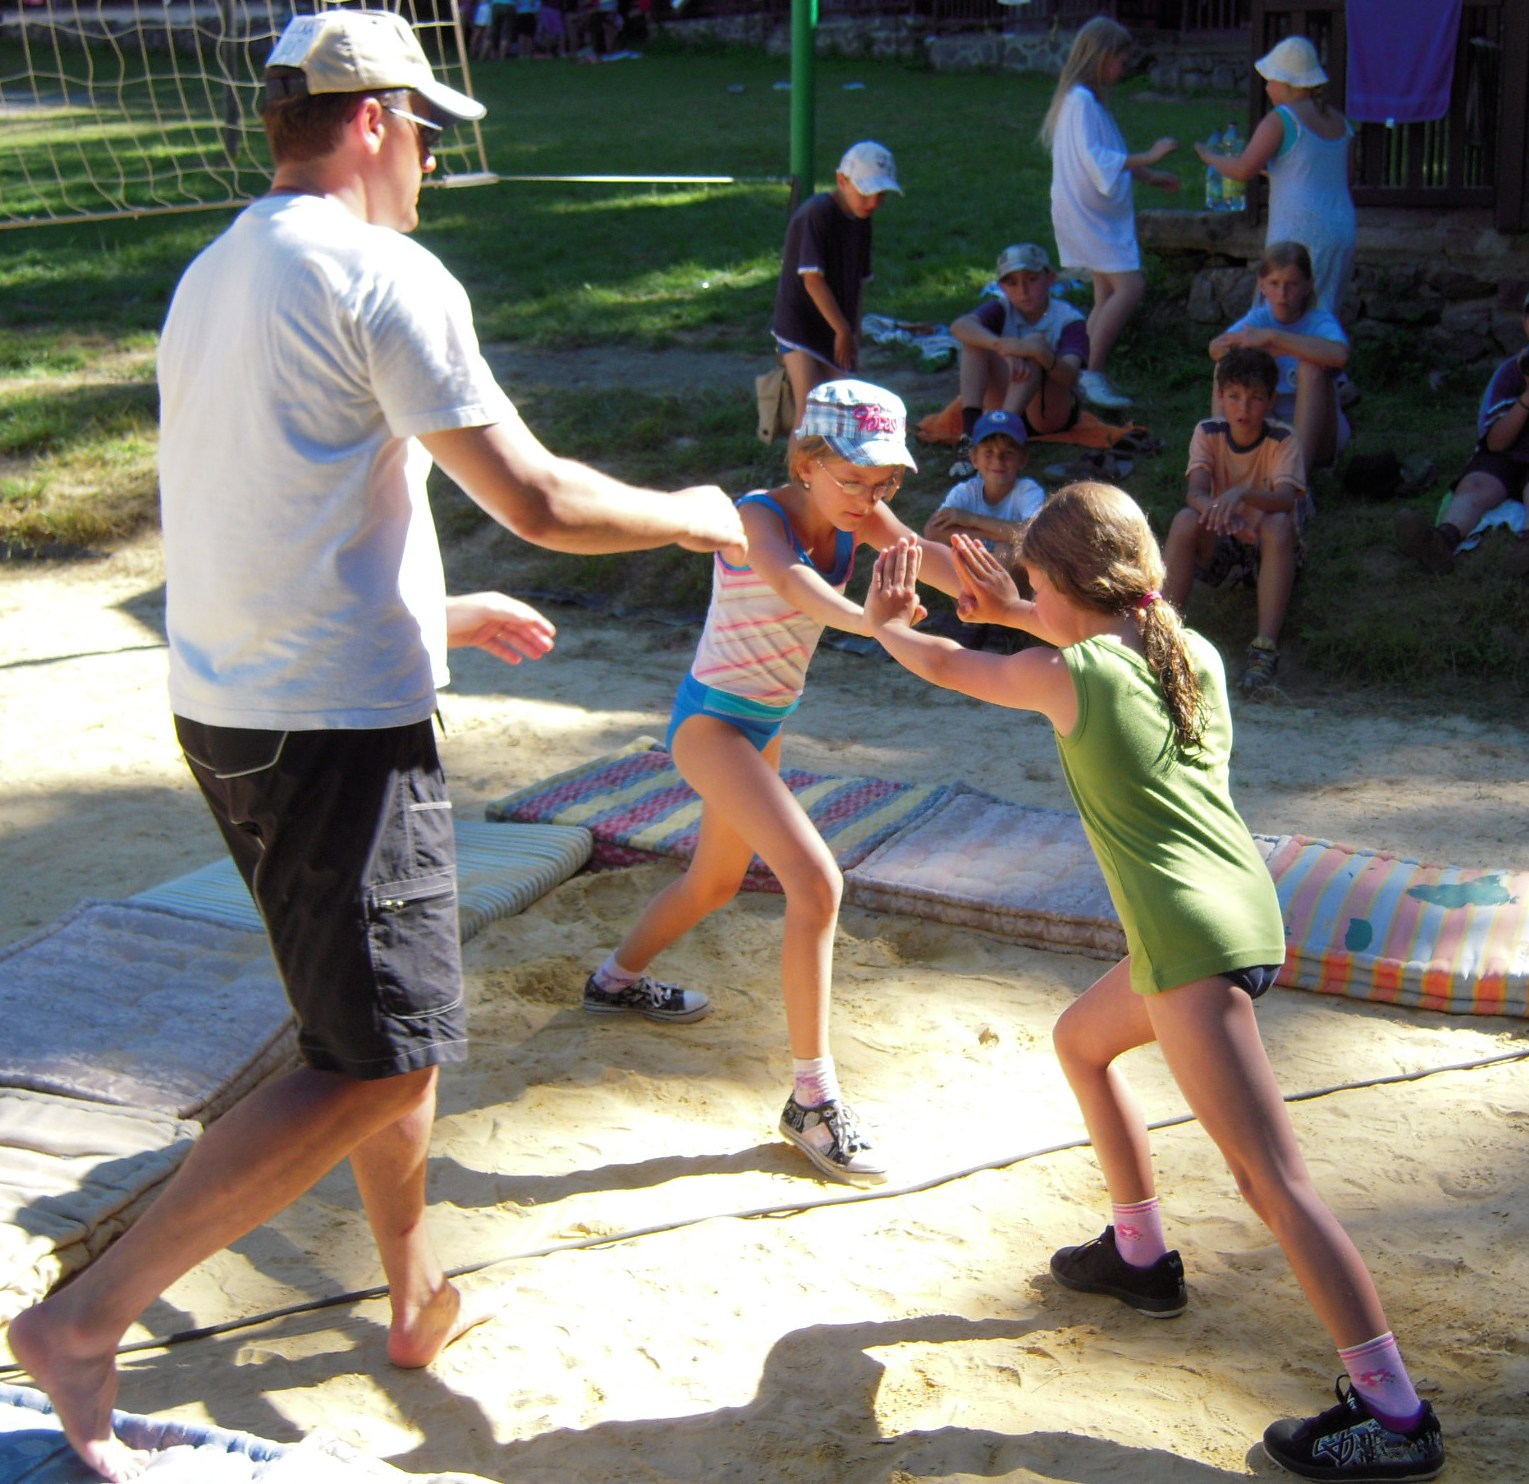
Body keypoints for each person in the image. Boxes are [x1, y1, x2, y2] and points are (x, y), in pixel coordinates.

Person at [5, 13, 745, 1481]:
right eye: (424, 132)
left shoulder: (215, 272)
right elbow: (537, 497)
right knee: (376, 1059)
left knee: (379, 1034)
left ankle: (411, 1288)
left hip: (235, 705)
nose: (430, 161)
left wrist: (430, 608)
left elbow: (266, 494)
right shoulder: (378, 271)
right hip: (333, 730)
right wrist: (694, 514)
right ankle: (84, 1322)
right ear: (371, 120)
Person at [862, 487, 1446, 1484]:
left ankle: (1394, 1412)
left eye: (1033, 585)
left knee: (1272, 1183)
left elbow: (946, 662)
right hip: (1235, 913)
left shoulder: (1065, 675)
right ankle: (1137, 1255)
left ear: (1064, 587)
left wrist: (886, 624)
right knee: (1080, 1041)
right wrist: (1010, 602)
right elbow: (1074, 631)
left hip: (1187, 944)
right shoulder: (1187, 648)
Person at [583, 380, 963, 1188]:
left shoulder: (857, 513)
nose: (868, 498)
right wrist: (873, 622)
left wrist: (1023, 602)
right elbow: (795, 585)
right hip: (710, 725)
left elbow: (925, 559)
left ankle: (614, 981)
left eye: (884, 484)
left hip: (763, 723)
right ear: (805, 462)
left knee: (714, 882)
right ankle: (811, 1102)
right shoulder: (755, 515)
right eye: (852, 479)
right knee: (816, 884)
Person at [1040, 16, 1179, 412]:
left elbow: (1110, 154)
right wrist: (1149, 156)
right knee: (1129, 288)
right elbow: (1097, 159)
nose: (1123, 68)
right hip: (1089, 213)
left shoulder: (1085, 102)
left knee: (1105, 294)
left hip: (1087, 210)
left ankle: (1077, 371)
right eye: (1121, 60)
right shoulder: (1081, 102)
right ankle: (1092, 372)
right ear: (1101, 58)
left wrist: (1150, 176)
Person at [1162, 346, 1309, 698]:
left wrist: (1241, 495)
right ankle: (1159, 636)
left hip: (1267, 548)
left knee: (1277, 524)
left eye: (1255, 398)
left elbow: (1285, 499)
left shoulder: (1283, 439)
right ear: (1220, 397)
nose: (1244, 408)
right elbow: (1195, 493)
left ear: (1271, 401)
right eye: (1234, 397)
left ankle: (1264, 649)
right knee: (1185, 520)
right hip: (1223, 540)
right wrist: (1219, 512)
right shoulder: (1207, 432)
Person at [1196, 36, 1355, 317]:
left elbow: (1242, 169)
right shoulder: (1339, 121)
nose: (1267, 86)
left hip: (1300, 229)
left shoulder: (1282, 119)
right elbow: (1328, 174)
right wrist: (1278, 174)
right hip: (1340, 228)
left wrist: (1210, 156)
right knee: (1322, 317)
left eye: (1271, 80)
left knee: (1278, 314)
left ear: (1288, 83)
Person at [1395, 289, 1529, 577]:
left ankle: (1524, 551)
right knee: (1477, 484)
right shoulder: (1511, 373)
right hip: (1507, 454)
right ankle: (1441, 542)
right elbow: (1495, 442)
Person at [771, 142, 902, 425]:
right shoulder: (817, 213)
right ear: (842, 180)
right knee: (809, 409)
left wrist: (853, 332)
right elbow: (812, 281)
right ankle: (800, 456)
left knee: (845, 409)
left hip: (836, 326)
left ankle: (834, 456)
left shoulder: (862, 220)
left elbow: (858, 284)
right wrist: (843, 330)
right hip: (801, 325)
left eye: (881, 195)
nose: (873, 202)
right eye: (866, 193)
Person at [947, 242, 1088, 477]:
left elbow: (1071, 376)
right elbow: (959, 326)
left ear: (1050, 278)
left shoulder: (1068, 318)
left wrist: (1041, 353)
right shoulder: (1002, 308)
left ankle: (998, 437)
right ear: (1001, 286)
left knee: (1033, 350)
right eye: (1012, 283)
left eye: (1031, 280)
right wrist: (1003, 347)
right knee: (974, 343)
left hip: (1049, 412)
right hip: (1008, 398)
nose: (1023, 291)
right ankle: (970, 436)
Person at [1211, 240, 1348, 473]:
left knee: (1311, 368)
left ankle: (1295, 479)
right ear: (1262, 285)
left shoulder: (1319, 321)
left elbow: (1340, 355)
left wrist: (1275, 340)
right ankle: (1226, 460)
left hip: (1318, 437)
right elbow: (1216, 348)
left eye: (1291, 284)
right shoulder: (1259, 319)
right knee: (1225, 367)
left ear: (1307, 286)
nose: (1282, 294)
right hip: (1267, 425)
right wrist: (1253, 353)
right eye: (1274, 284)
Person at [924, 408, 1045, 568]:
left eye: (1008, 453)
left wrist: (971, 520)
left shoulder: (1028, 491)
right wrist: (998, 534)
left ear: (1023, 459)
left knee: (1005, 551)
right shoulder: (966, 491)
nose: (998, 460)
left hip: (1012, 571)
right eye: (988, 452)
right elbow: (932, 531)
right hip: (975, 564)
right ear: (974, 459)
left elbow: (1033, 533)